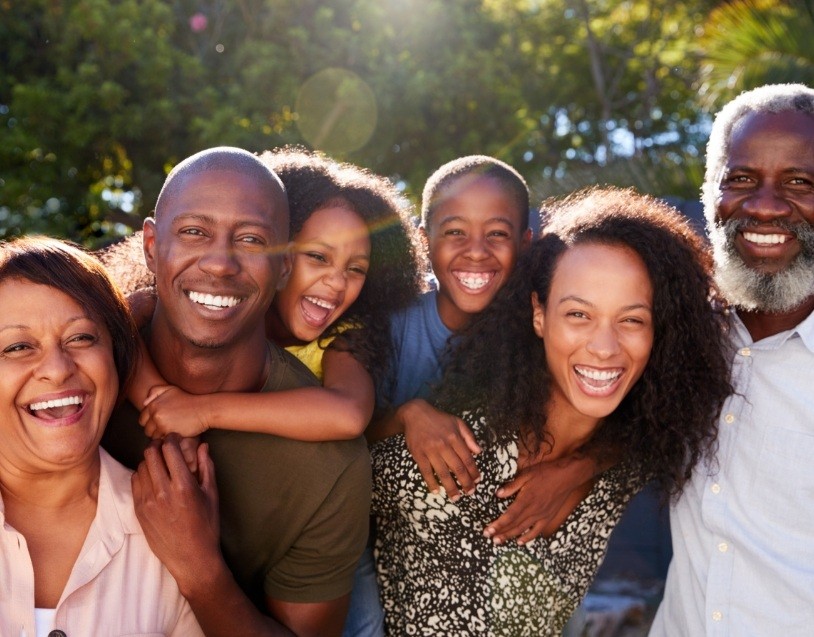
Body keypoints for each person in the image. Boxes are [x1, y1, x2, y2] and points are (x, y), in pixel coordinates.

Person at [371, 187, 732, 635]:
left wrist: (581, 466)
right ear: (539, 315)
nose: (604, 348)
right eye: (579, 315)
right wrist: (405, 416)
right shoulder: (453, 452)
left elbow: (645, 436)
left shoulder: (635, 451)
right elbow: (334, 475)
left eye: (632, 319)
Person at [101, 147, 371, 637]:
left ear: (284, 266)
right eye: (194, 232)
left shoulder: (332, 467)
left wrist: (201, 571)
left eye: (251, 239)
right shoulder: (75, 379)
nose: (221, 264)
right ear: (150, 244)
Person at [650, 83, 814, 635]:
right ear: (709, 193)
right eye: (741, 179)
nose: (765, 206)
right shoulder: (680, 328)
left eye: (799, 182)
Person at [132, 146, 422, 443]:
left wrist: (202, 412)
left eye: (356, 269)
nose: (337, 282)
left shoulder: (341, 342)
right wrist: (158, 399)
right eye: (318, 257)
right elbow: (114, 327)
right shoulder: (186, 302)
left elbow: (348, 414)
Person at [0, 237, 204, 636]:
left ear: (118, 358)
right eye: (18, 347)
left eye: (81, 338)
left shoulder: (176, 528)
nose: (57, 369)